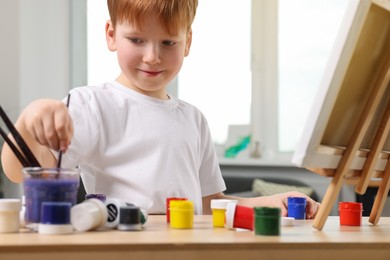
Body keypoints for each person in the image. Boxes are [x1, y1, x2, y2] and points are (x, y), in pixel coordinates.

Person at [1, 0, 319, 218]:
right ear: (111, 35)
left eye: (168, 43)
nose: (152, 56)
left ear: (188, 42)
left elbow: (211, 206)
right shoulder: (93, 105)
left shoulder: (194, 120)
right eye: (137, 39)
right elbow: (20, 171)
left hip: (188, 249)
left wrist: (268, 204)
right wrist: (29, 120)